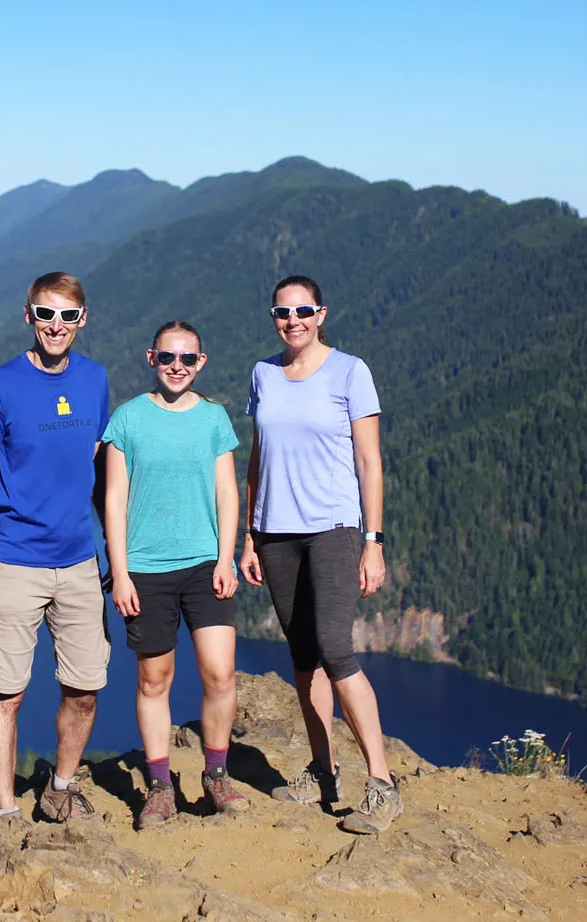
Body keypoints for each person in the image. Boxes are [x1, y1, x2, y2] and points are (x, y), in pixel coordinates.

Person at [239, 275, 399, 835]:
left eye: (303, 310)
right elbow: (257, 457)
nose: (293, 320)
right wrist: (249, 535)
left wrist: (373, 542)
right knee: (303, 656)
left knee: (335, 648)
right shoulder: (263, 373)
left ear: (322, 313)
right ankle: (323, 771)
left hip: (332, 529)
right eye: (283, 312)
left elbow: (370, 463)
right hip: (275, 533)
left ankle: (382, 784)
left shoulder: (350, 372)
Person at [0, 271, 110, 822]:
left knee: (86, 689)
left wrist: (114, 558)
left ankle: (59, 789)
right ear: (28, 316)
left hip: (78, 563)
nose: (56, 326)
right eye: (45, 314)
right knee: (6, 694)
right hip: (14, 562)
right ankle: (5, 813)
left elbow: (100, 474)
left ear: (82, 320)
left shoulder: (95, 380)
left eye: (67, 316)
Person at [103, 320, 247, 828]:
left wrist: (227, 557)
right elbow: (114, 500)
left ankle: (215, 775)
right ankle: (160, 785)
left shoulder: (213, 418)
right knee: (153, 680)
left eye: (188, 359)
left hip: (205, 564)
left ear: (201, 362)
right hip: (145, 568)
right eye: (168, 358)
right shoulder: (127, 419)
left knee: (220, 673)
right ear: (151, 358)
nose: (177, 367)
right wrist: (119, 573)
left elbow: (228, 492)